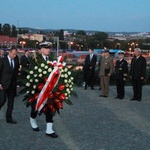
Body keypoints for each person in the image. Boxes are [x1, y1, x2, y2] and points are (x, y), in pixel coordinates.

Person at [29, 41, 58, 138]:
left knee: (50, 107)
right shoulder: (36, 60)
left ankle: (49, 130)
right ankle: (32, 119)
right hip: (39, 89)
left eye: (49, 48)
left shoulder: (52, 60)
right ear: (41, 49)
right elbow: (32, 74)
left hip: (50, 90)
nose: (48, 50)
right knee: (36, 107)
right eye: (46, 48)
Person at [0, 47, 18, 124]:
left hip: (12, 85)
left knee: (11, 103)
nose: (14, 56)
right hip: (3, 85)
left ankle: (9, 118)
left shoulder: (16, 61)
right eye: (13, 54)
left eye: (15, 54)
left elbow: (16, 73)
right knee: (2, 101)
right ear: (9, 52)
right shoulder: (2, 60)